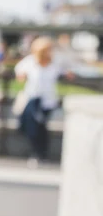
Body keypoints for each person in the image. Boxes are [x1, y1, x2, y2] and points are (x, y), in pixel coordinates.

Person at [15, 36, 74, 168]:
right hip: (32, 99)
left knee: (40, 127)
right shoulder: (31, 62)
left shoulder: (54, 64)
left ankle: (40, 154)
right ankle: (37, 153)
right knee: (32, 127)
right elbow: (20, 73)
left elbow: (67, 72)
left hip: (47, 101)